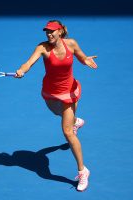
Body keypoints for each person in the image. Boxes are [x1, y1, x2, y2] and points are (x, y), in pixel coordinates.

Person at [15, 20, 98, 192]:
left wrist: (86, 60)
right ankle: (75, 121)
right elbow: (28, 63)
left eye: (52, 31)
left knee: (67, 132)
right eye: (47, 32)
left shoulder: (72, 44)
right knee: (56, 112)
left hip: (69, 92)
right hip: (50, 93)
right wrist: (22, 70)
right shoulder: (42, 48)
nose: (49, 34)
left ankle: (83, 171)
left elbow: (81, 57)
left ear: (60, 32)